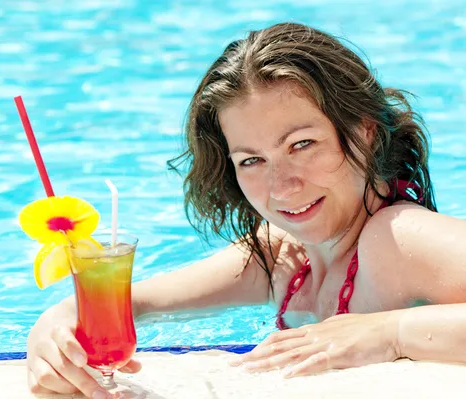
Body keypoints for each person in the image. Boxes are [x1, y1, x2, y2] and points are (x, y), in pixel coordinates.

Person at [25, 22, 466, 398]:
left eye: (302, 145)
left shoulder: (396, 237)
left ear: (365, 132)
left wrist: (390, 333)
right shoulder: (285, 255)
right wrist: (57, 324)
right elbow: (136, 301)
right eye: (252, 160)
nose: (281, 186)